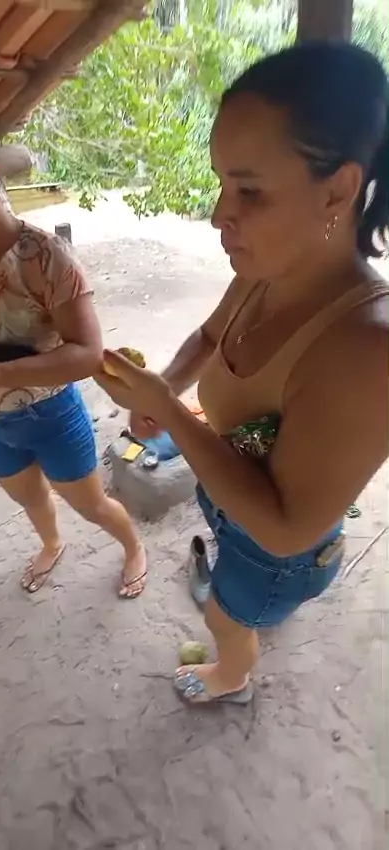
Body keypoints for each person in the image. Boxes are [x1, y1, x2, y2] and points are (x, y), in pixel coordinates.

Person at [96, 42, 389, 703]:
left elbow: (285, 528)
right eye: (223, 183)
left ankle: (232, 674)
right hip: (233, 501)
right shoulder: (265, 272)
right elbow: (208, 337)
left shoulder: (365, 349)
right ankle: (244, 605)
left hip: (279, 552)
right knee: (233, 587)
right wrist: (165, 387)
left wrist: (170, 412)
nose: (218, 215)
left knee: (227, 617)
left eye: (250, 190)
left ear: (338, 189)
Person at [0, 96, 146, 597]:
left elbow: (87, 353)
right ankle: (52, 543)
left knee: (91, 504)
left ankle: (133, 547)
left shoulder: (45, 259)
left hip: (51, 413)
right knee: (31, 500)